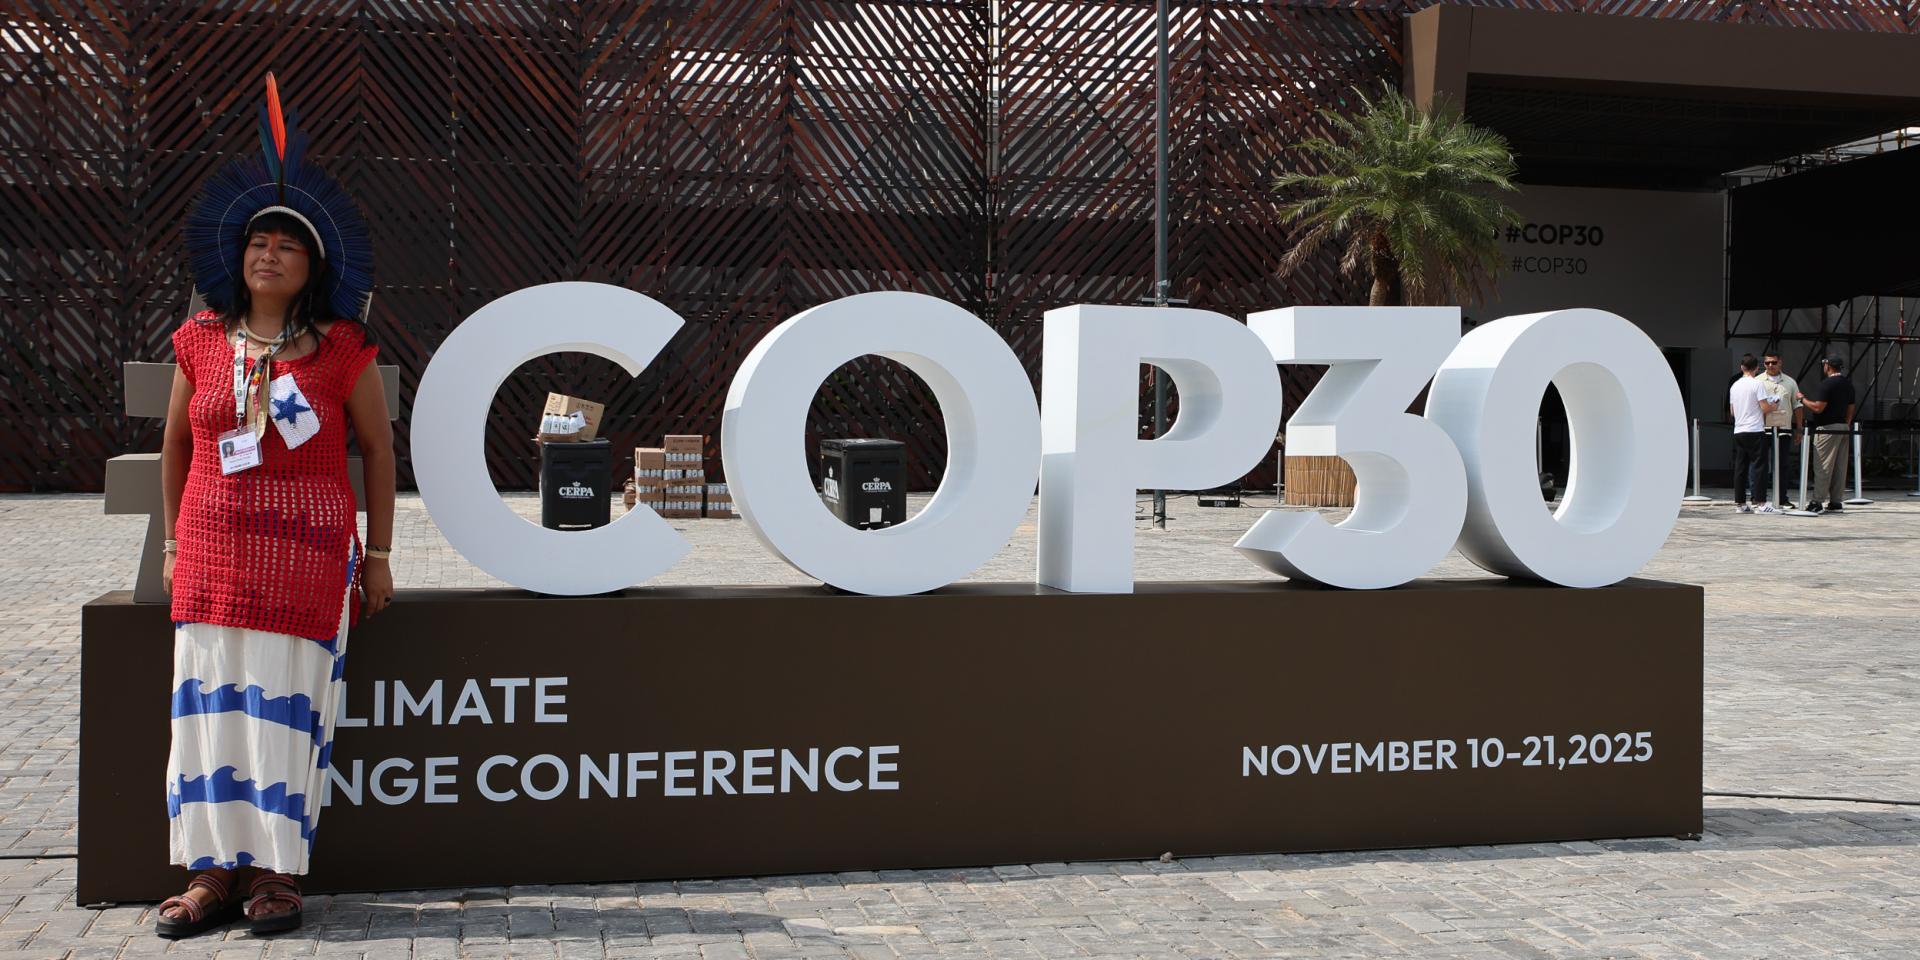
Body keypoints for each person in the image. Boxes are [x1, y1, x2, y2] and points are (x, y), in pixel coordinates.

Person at [156, 73, 392, 938]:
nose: (269, 254)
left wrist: (383, 553)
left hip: (307, 559)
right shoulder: (197, 341)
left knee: (285, 714)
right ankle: (211, 872)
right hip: (213, 554)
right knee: (209, 709)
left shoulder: (343, 351)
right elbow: (179, 446)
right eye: (259, 241)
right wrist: (180, 543)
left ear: (311, 268)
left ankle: (276, 878)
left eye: (287, 247)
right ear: (237, 256)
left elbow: (377, 451)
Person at [1799, 356, 1857, 514]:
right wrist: (1846, 423)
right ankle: (1836, 501)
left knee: (1823, 466)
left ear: (1828, 366)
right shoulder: (1848, 384)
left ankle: (1817, 501)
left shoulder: (1827, 384)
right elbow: (1851, 408)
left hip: (1826, 427)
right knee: (1840, 466)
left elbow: (1818, 408)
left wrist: (1802, 399)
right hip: (1843, 427)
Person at [1727, 355, 1777, 513]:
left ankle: (1740, 504)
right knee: (1760, 466)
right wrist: (1774, 405)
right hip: (1755, 429)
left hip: (1739, 429)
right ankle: (1761, 502)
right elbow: (1764, 407)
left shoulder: (1734, 385)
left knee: (1740, 468)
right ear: (1757, 368)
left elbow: (1732, 411)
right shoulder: (1757, 384)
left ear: (1742, 367)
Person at [1754, 352, 1800, 508]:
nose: (1770, 366)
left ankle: (1781, 497)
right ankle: (1757, 497)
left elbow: (1797, 405)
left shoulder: (1790, 382)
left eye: (1773, 362)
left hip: (1783, 429)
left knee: (1782, 464)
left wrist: (1799, 429)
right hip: (1762, 428)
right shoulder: (1757, 381)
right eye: (1767, 363)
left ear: (1780, 362)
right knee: (1760, 463)